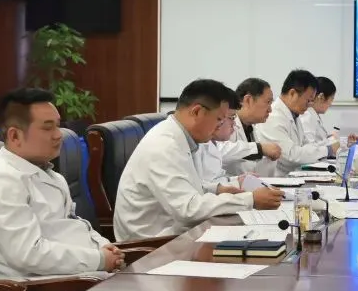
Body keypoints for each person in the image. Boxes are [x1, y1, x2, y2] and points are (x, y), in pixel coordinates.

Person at [0, 88, 122, 291]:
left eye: (58, 126)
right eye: (48, 128)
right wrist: (98, 259)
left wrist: (104, 247)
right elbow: (28, 254)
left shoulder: (49, 173)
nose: (59, 135)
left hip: (84, 282)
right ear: (15, 136)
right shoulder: (0, 180)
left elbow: (75, 225)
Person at [114, 79, 284, 240]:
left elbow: (188, 187)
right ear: (196, 112)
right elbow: (188, 209)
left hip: (175, 231)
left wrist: (217, 189)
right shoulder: (164, 145)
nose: (219, 126)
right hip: (152, 243)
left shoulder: (181, 137)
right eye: (219, 119)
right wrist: (250, 199)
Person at [255, 69, 339, 176]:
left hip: (292, 176)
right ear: (292, 93)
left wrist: (324, 149)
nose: (310, 105)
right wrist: (328, 150)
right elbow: (291, 156)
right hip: (277, 178)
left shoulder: (294, 115)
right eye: (308, 100)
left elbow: (307, 146)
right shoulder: (273, 117)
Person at [226, 77, 281, 176]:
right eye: (268, 102)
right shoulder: (226, 125)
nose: (270, 110)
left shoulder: (251, 128)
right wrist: (260, 149)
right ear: (248, 100)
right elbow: (221, 151)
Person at [299, 76, 358, 147]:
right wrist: (335, 141)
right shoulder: (307, 117)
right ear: (321, 97)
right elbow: (310, 149)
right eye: (331, 99)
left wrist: (345, 142)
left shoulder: (313, 116)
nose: (330, 104)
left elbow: (321, 142)